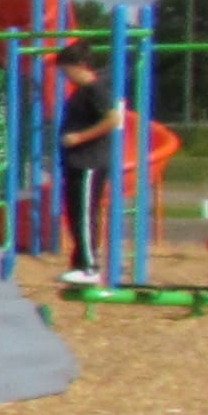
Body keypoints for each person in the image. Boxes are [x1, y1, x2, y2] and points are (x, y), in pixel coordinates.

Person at [52, 46, 119, 280]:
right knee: (75, 213)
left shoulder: (95, 88)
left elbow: (113, 119)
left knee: (84, 213)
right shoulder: (80, 91)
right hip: (76, 161)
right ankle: (80, 262)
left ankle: (89, 267)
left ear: (80, 65)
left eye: (66, 70)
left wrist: (80, 137)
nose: (65, 76)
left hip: (89, 160)